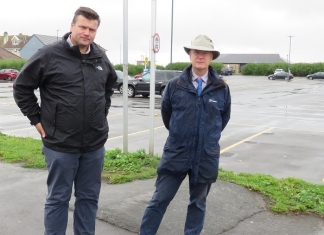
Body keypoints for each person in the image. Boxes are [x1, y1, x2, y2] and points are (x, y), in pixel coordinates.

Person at [13, 6, 117, 235]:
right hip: (60, 145)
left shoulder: (100, 56)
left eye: (92, 29)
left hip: (94, 146)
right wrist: (37, 121)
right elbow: (21, 88)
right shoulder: (49, 55)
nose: (87, 32)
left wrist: (102, 113)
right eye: (83, 27)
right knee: (58, 199)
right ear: (72, 26)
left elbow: (109, 86)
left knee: (89, 199)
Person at [139, 35, 231, 235]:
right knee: (159, 199)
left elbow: (222, 120)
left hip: (206, 156)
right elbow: (167, 116)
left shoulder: (221, 88)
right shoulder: (174, 85)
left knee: (198, 203)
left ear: (211, 57)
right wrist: (182, 135)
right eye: (196, 51)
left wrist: (205, 138)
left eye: (205, 52)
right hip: (176, 154)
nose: (200, 56)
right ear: (190, 54)